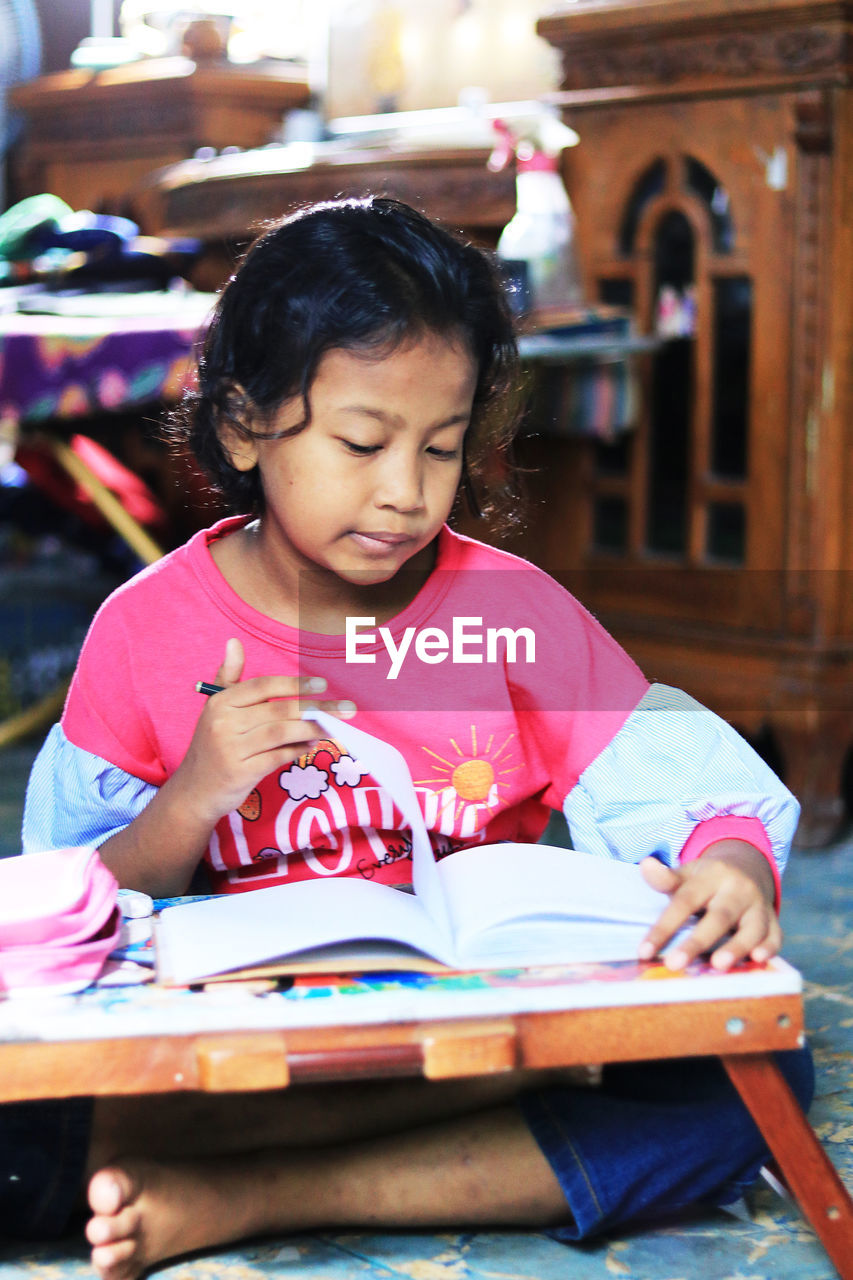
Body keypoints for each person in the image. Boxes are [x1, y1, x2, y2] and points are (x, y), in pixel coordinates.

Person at [15, 196, 812, 1280]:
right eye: (360, 441)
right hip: (242, 1048)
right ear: (246, 421)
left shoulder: (514, 610)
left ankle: (243, 1189)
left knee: (747, 1074)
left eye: (441, 447)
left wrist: (726, 861)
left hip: (477, 1032)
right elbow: (69, 902)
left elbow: (683, 784)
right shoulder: (147, 629)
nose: (406, 493)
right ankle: (252, 1148)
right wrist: (194, 793)